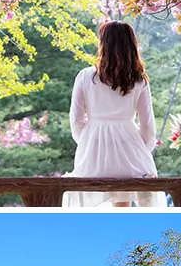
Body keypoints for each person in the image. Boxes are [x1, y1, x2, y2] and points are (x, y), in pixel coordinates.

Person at [63, 20, 166, 208]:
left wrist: (88, 140)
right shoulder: (138, 80)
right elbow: (147, 124)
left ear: (103, 44)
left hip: (94, 147)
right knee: (123, 204)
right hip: (129, 147)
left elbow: (76, 120)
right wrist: (143, 148)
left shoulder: (85, 76)